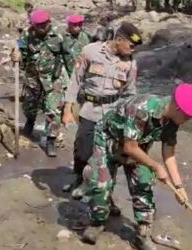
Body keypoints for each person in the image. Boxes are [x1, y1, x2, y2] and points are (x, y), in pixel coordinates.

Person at [80, 83, 192, 250]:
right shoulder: (141, 109)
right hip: (109, 139)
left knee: (144, 184)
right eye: (187, 116)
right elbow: (129, 147)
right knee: (101, 184)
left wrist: (178, 186)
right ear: (177, 108)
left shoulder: (173, 120)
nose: (188, 120)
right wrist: (155, 166)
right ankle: (97, 222)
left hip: (138, 145)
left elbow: (169, 152)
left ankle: (142, 234)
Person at [62, 22, 142, 212]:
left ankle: (103, 195)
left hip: (113, 113)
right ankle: (79, 179)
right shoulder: (91, 51)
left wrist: (130, 119)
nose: (132, 50)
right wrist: (67, 109)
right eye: (130, 45)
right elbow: (75, 81)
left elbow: (130, 93)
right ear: (119, 39)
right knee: (83, 150)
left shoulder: (130, 63)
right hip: (90, 109)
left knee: (107, 157)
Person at [11, 9, 69, 157]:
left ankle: (50, 140)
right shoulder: (26, 35)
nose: (42, 28)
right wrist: (15, 56)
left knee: (53, 111)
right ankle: (30, 121)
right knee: (29, 106)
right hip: (33, 79)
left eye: (44, 24)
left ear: (49, 22)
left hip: (53, 79)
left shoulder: (60, 36)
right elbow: (20, 53)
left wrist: (72, 81)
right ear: (33, 25)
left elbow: (68, 58)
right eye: (38, 25)